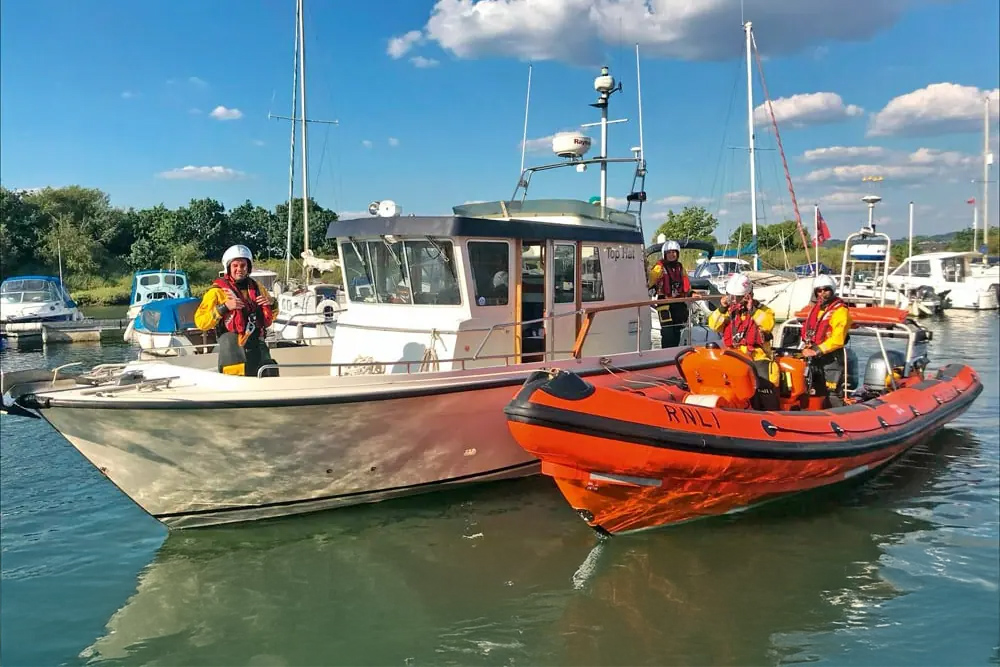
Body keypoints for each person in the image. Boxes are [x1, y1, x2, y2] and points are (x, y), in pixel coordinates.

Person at [195, 244, 279, 377]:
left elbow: (270, 317)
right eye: (235, 266)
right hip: (232, 348)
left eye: (243, 265)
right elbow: (201, 322)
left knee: (269, 373)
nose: (239, 269)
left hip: (257, 344)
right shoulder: (216, 292)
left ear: (248, 267)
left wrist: (272, 303)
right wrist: (224, 308)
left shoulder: (258, 288)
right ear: (228, 267)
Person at [707, 273, 779, 409]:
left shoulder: (763, 311)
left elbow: (768, 324)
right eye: (731, 297)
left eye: (738, 298)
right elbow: (714, 325)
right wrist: (722, 308)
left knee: (764, 384)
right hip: (734, 357)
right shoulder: (729, 312)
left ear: (748, 295)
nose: (734, 301)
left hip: (757, 358)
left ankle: (769, 412)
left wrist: (752, 310)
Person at [800, 274, 852, 406]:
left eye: (826, 290)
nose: (822, 293)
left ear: (832, 290)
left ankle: (840, 419)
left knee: (832, 392)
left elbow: (838, 338)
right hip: (814, 357)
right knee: (812, 389)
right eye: (819, 290)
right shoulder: (815, 310)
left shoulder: (840, 311)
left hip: (831, 357)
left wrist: (816, 350)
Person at [647, 240, 692, 349]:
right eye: (669, 253)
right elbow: (650, 281)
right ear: (664, 254)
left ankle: (675, 351)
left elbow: (687, 284)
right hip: (664, 303)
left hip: (678, 303)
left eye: (674, 252)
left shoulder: (680, 268)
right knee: (667, 332)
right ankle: (666, 352)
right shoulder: (659, 268)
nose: (672, 255)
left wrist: (692, 293)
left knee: (677, 330)